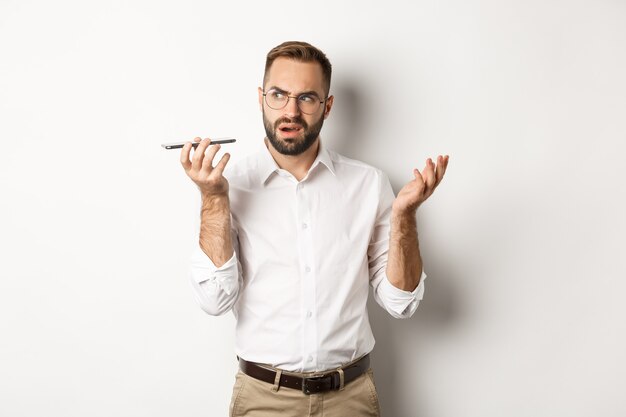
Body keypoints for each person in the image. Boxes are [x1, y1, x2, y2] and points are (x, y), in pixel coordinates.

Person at [180, 41, 449, 417]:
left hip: (350, 399)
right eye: (279, 95)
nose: (291, 111)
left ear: (328, 106)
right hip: (263, 400)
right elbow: (214, 301)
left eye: (307, 98)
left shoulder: (368, 184)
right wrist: (213, 199)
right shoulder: (229, 186)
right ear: (261, 98)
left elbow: (400, 304)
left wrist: (405, 216)